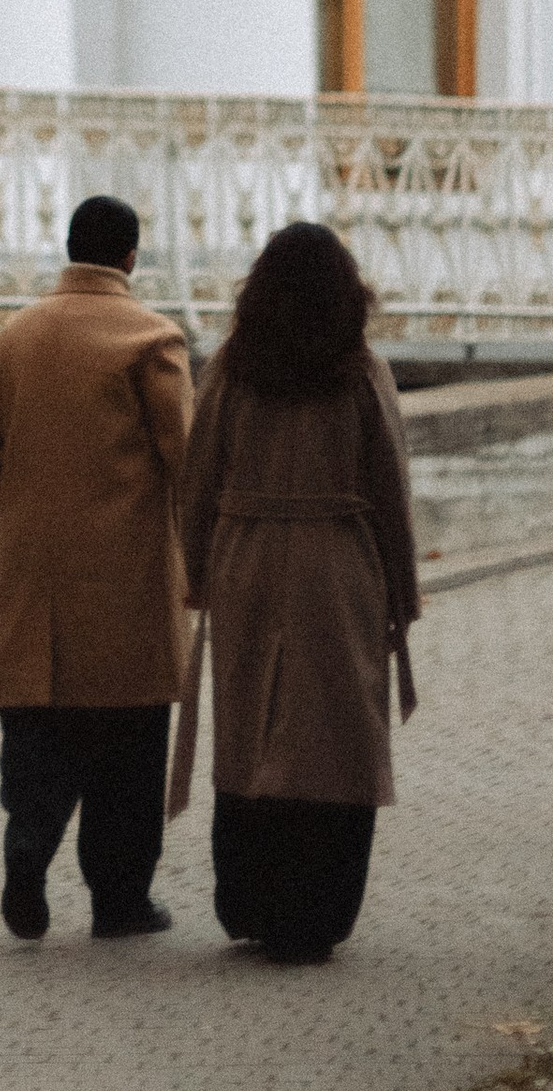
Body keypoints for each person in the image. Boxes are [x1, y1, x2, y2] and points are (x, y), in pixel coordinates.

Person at [173, 220, 420, 965]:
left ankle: (252, 901)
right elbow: (390, 485)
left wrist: (198, 572)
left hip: (247, 561)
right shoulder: (362, 373)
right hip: (338, 565)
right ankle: (318, 910)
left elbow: (198, 476)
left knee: (250, 726)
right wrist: (402, 594)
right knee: (335, 731)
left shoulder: (231, 370)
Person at [0, 192, 193, 944]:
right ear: (130, 257)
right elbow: (185, 458)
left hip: (35, 579)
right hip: (128, 581)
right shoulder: (152, 338)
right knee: (129, 745)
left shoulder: (16, 336)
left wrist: (27, 512)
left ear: (69, 248)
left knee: (37, 727)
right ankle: (119, 901)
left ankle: (27, 846)